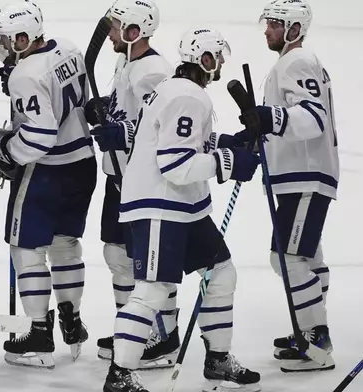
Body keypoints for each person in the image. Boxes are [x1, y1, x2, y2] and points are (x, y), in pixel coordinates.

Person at [103, 28, 262, 392]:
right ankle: (120, 375)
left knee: (221, 272)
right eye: (216, 58)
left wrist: (230, 144)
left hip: (184, 207)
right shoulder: (189, 96)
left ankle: (217, 358)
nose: (219, 65)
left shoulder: (175, 90)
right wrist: (227, 162)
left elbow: (187, 141)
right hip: (161, 205)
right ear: (205, 60)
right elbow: (174, 164)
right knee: (154, 289)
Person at [0, 0, 97, 369]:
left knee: (26, 249)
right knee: (66, 244)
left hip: (46, 171)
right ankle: (72, 320)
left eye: (8, 38)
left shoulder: (25, 75)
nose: (3, 44)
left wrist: (7, 151)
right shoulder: (67, 47)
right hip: (83, 164)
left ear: (24, 36)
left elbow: (40, 137)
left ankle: (38, 331)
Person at [241, 0, 337, 372]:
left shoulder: (295, 61)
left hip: (306, 175)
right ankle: (308, 329)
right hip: (304, 174)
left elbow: (313, 117)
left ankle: (316, 335)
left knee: (290, 258)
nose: (267, 30)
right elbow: (286, 121)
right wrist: (254, 132)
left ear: (294, 29)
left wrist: (269, 117)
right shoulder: (290, 64)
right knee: (308, 258)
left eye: (275, 25)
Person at [83, 0, 177, 368]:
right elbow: (131, 110)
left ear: (135, 31)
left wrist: (120, 132)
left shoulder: (153, 71)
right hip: (118, 177)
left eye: (116, 26)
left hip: (141, 181)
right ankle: (133, 330)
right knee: (117, 254)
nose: (109, 33)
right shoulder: (128, 64)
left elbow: (163, 124)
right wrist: (106, 109)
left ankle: (164, 338)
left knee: (149, 263)